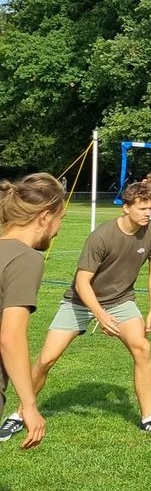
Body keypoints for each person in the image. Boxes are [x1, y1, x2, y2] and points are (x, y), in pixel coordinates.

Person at [11, 180, 151, 439]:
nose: (148, 213)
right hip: (79, 302)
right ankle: (18, 414)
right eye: (142, 208)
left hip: (120, 301)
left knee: (142, 348)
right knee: (46, 359)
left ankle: (148, 418)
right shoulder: (102, 236)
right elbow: (82, 282)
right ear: (126, 208)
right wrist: (100, 314)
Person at [0, 173, 65, 449]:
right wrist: (28, 405)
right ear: (45, 217)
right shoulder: (26, 259)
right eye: (62, 219)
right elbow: (10, 338)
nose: (59, 229)